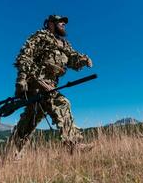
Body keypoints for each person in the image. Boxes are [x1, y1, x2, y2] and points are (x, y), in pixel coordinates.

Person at [9, 14, 93, 156]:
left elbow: (72, 58)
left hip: (50, 86)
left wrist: (84, 60)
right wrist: (28, 80)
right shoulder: (40, 36)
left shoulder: (64, 44)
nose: (63, 25)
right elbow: (24, 57)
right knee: (62, 103)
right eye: (60, 22)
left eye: (64, 23)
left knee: (29, 122)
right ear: (50, 24)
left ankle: (10, 153)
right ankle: (74, 145)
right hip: (35, 84)